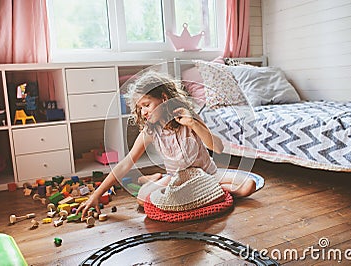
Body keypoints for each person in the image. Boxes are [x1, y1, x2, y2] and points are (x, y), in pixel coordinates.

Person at [77, 71, 256, 219]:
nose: (143, 112)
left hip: (207, 175)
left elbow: (218, 148)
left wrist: (193, 123)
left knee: (248, 185)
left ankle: (204, 191)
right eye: (140, 108)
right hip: (175, 179)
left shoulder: (189, 116)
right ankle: (156, 178)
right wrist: (96, 195)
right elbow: (125, 163)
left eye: (146, 105)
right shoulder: (150, 131)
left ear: (163, 98)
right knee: (142, 199)